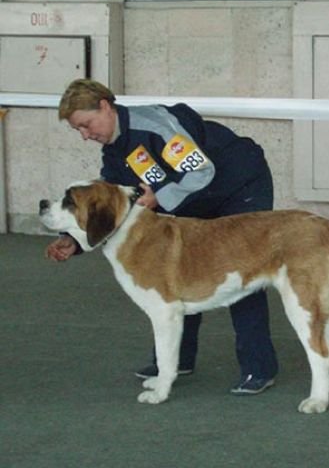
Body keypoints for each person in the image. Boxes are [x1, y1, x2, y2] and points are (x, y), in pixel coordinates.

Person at [47, 78, 279, 395]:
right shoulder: (113, 155)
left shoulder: (154, 126)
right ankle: (177, 361)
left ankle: (258, 368)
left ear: (104, 106)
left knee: (243, 273)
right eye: (78, 131)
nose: (86, 136)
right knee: (182, 271)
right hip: (192, 198)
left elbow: (201, 171)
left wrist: (160, 197)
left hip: (238, 185)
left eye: (86, 125)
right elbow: (106, 212)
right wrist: (72, 240)